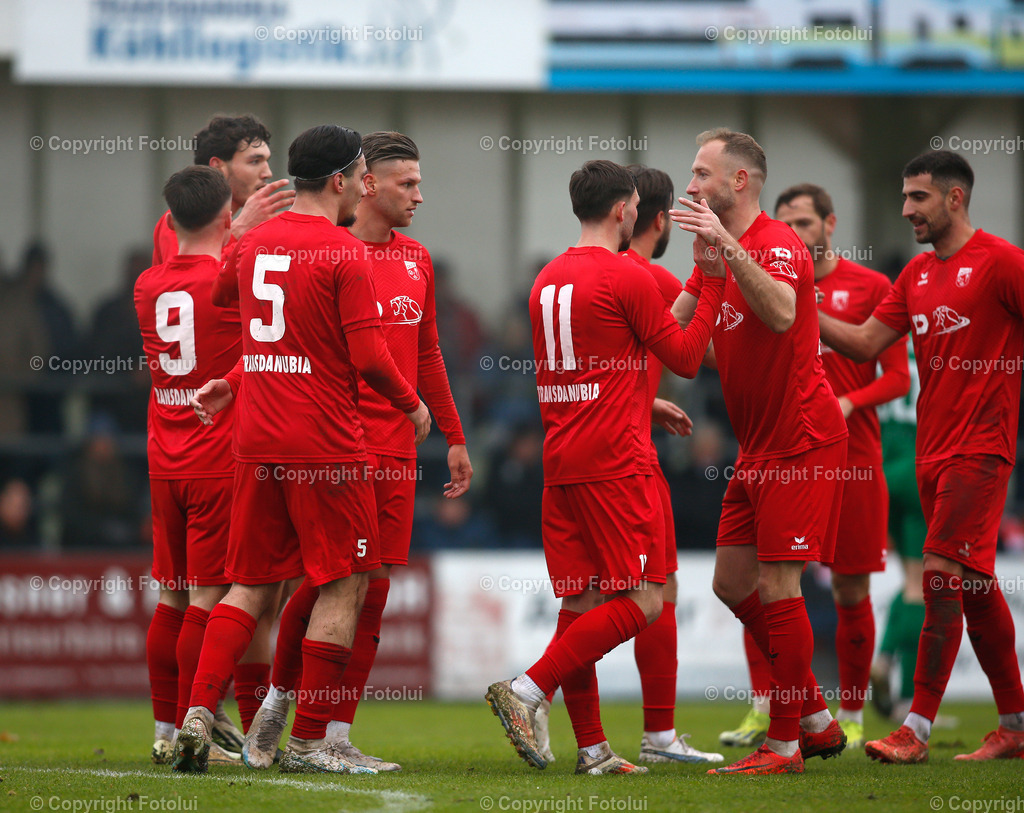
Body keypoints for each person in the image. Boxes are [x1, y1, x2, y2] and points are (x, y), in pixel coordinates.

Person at [174, 124, 431, 775]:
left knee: (248, 587)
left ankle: (198, 711)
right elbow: (370, 357)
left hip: (256, 441)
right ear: (342, 180)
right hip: (326, 443)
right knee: (344, 584)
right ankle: (314, 739)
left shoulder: (256, 242)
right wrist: (412, 403)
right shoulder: (343, 253)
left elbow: (224, 298)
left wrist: (237, 239)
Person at [486, 159, 725, 775]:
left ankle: (592, 751)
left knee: (582, 603)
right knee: (644, 601)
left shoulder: (545, 279)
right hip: (617, 463)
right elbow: (690, 357)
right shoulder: (628, 277)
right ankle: (528, 688)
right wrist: (715, 280)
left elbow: (588, 369)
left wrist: (642, 400)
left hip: (562, 459)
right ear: (625, 209)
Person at [243, 131, 472, 773]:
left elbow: (426, 352)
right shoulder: (330, 254)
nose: (419, 196)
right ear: (365, 183)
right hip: (338, 446)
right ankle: (288, 712)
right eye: (408, 183)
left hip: (398, 453)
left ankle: (334, 729)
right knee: (325, 584)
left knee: (370, 591)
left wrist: (454, 436)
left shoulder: (417, 260)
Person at [817, 150, 1024, 763]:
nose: (906, 209)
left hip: (980, 451)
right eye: (905, 197)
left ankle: (916, 728)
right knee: (978, 586)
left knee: (938, 576)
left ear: (954, 198)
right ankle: (1014, 724)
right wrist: (802, 303)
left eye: (918, 198)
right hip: (931, 455)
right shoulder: (916, 275)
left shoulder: (1001, 262)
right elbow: (862, 340)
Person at [670, 130, 849, 775]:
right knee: (730, 583)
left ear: (737, 181)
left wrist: (724, 250)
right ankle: (816, 717)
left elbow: (779, 313)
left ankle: (783, 747)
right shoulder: (711, 252)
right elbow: (680, 339)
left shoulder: (779, 245)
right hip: (759, 448)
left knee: (778, 586)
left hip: (803, 439)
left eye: (700, 173)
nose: (690, 185)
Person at [772, 183, 910, 748]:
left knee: (851, 592)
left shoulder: (873, 286)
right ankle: (778, 713)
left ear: (831, 224)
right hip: (789, 457)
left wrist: (849, 402)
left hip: (855, 459)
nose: (796, 235)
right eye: (786, 225)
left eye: (805, 223)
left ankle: (850, 716)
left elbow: (898, 378)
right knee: (775, 587)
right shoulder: (770, 287)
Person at [136, 165, 265, 766]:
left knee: (172, 596)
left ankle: (166, 730)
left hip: (165, 457)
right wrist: (243, 237)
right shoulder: (228, 278)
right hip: (216, 456)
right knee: (208, 602)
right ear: (224, 215)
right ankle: (199, 731)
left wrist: (234, 233)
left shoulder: (146, 285)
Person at [151, 114, 294, 267]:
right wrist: (238, 230)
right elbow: (189, 283)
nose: (268, 173)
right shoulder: (182, 220)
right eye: (254, 162)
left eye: (266, 161)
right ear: (218, 167)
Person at [871, 342, 927, 722]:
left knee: (911, 585)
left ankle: (904, 701)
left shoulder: (883, 349)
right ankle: (887, 660)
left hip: (881, 474)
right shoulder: (932, 347)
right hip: (920, 473)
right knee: (922, 587)